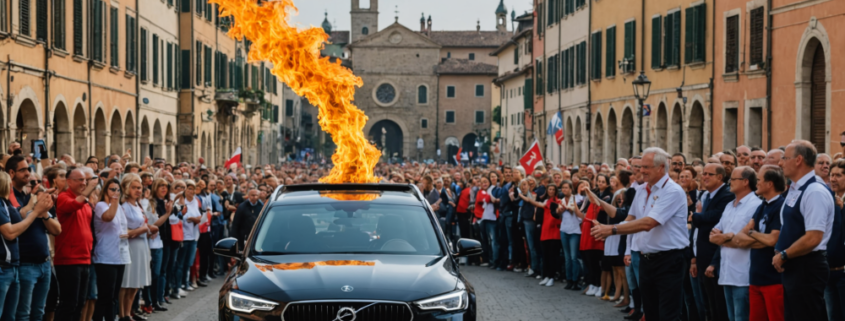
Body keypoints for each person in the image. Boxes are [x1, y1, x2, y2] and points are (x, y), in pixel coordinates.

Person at [591, 147, 690, 321]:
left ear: (661, 167)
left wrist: (612, 230)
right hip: (646, 259)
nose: (640, 170)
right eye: (640, 166)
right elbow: (631, 218)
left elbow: (648, 223)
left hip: (669, 260)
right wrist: (608, 228)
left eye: (646, 167)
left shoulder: (672, 191)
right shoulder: (642, 190)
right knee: (650, 312)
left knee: (668, 314)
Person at [773, 140, 834, 321]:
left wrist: (784, 254)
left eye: (785, 158)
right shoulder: (795, 189)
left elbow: (813, 237)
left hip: (807, 267)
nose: (780, 163)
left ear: (798, 160)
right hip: (795, 266)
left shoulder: (814, 191)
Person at [5, 156, 62, 321]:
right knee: (23, 314)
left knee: (39, 313)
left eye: (28, 170)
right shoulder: (9, 198)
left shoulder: (37, 197)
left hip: (44, 263)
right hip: (25, 264)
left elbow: (57, 229)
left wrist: (43, 212)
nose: (28, 174)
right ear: (11, 173)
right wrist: (34, 205)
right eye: (23, 170)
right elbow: (19, 218)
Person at [731, 165, 785, 321]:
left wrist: (752, 233)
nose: (757, 183)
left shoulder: (781, 206)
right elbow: (739, 238)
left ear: (770, 184)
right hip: (756, 278)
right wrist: (761, 238)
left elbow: (773, 240)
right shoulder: (762, 206)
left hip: (773, 280)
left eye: (760, 180)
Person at [709, 167, 762, 321]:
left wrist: (726, 239)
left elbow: (748, 239)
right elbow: (712, 236)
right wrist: (729, 236)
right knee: (731, 317)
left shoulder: (756, 205)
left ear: (745, 182)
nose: (729, 182)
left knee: (741, 317)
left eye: (733, 179)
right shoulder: (729, 205)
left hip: (743, 274)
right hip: (726, 272)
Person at [691, 163, 734, 321]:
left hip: (715, 256)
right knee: (708, 303)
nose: (705, 177)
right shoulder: (706, 195)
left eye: (709, 174)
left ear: (720, 177)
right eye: (704, 174)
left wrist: (697, 215)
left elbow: (714, 217)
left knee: (719, 304)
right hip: (702, 256)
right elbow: (702, 221)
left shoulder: (727, 195)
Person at [54, 167, 98, 321]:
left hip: (85, 258)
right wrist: (88, 192)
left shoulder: (85, 202)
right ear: (69, 182)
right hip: (68, 259)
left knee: (80, 303)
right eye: (80, 180)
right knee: (69, 304)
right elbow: (73, 205)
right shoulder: (63, 197)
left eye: (85, 180)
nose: (84, 183)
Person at [91, 178, 129, 321]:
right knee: (105, 296)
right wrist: (114, 202)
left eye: (118, 190)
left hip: (120, 255)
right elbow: (108, 217)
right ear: (105, 190)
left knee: (113, 296)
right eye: (112, 189)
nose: (116, 192)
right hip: (105, 256)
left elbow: (122, 228)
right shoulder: (101, 205)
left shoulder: (119, 207)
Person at [119, 174, 151, 321]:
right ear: (126, 188)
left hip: (141, 245)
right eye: (134, 187)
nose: (138, 190)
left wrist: (148, 229)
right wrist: (142, 229)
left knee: (135, 283)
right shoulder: (124, 207)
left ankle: (128, 312)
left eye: (139, 187)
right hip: (130, 246)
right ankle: (122, 314)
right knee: (126, 282)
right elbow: (122, 232)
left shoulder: (138, 205)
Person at [520, 183, 561, 287]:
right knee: (545, 256)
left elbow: (558, 212)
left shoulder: (559, 202)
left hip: (554, 232)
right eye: (549, 189)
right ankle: (546, 276)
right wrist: (523, 196)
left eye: (553, 189)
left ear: (556, 191)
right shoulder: (546, 201)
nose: (551, 191)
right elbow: (535, 203)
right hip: (545, 231)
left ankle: (551, 277)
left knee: (552, 256)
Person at [143, 179, 173, 312]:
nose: (164, 188)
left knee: (159, 272)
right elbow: (154, 224)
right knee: (153, 274)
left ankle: (156, 301)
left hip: (161, 241)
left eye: (166, 186)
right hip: (151, 242)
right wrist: (167, 214)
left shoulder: (166, 202)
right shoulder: (150, 203)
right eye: (161, 186)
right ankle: (149, 301)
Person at [174, 180, 201, 294]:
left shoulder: (195, 201)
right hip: (183, 237)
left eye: (193, 189)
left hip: (193, 237)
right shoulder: (180, 201)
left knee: (189, 263)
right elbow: (179, 217)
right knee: (180, 263)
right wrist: (192, 218)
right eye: (189, 188)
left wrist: (195, 219)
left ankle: (186, 283)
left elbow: (199, 216)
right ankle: (177, 286)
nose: (192, 191)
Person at [557, 180, 583, 291]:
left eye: (566, 187)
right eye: (563, 188)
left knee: (573, 257)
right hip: (564, 230)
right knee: (567, 258)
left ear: (571, 189)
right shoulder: (562, 200)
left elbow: (581, 216)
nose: (564, 189)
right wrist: (560, 210)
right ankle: (569, 280)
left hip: (575, 231)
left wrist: (573, 209)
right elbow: (559, 215)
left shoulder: (578, 199)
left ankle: (576, 280)